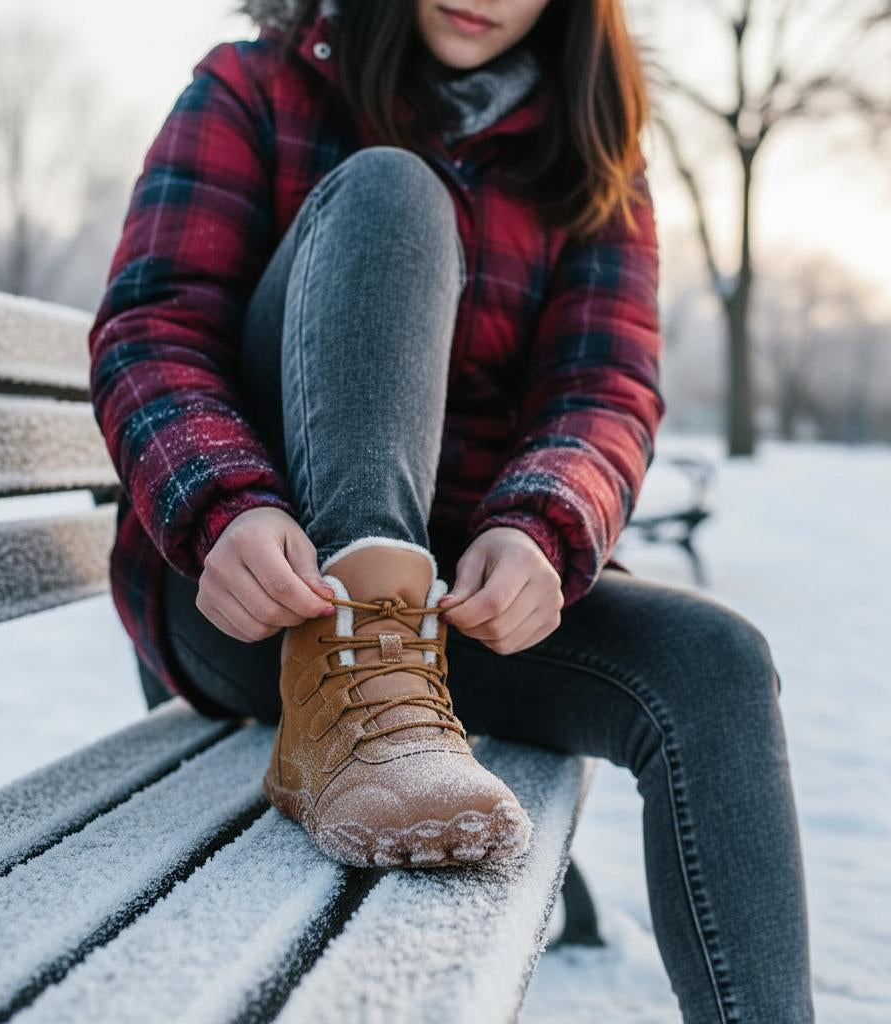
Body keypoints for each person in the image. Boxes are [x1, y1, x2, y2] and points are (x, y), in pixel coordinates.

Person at [88, 1, 814, 1019]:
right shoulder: (257, 89)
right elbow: (153, 327)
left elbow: (602, 389)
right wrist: (224, 501)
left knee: (716, 664)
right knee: (392, 189)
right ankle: (349, 711)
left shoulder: (591, 155)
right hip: (258, 590)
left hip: (446, 618)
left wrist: (542, 525)